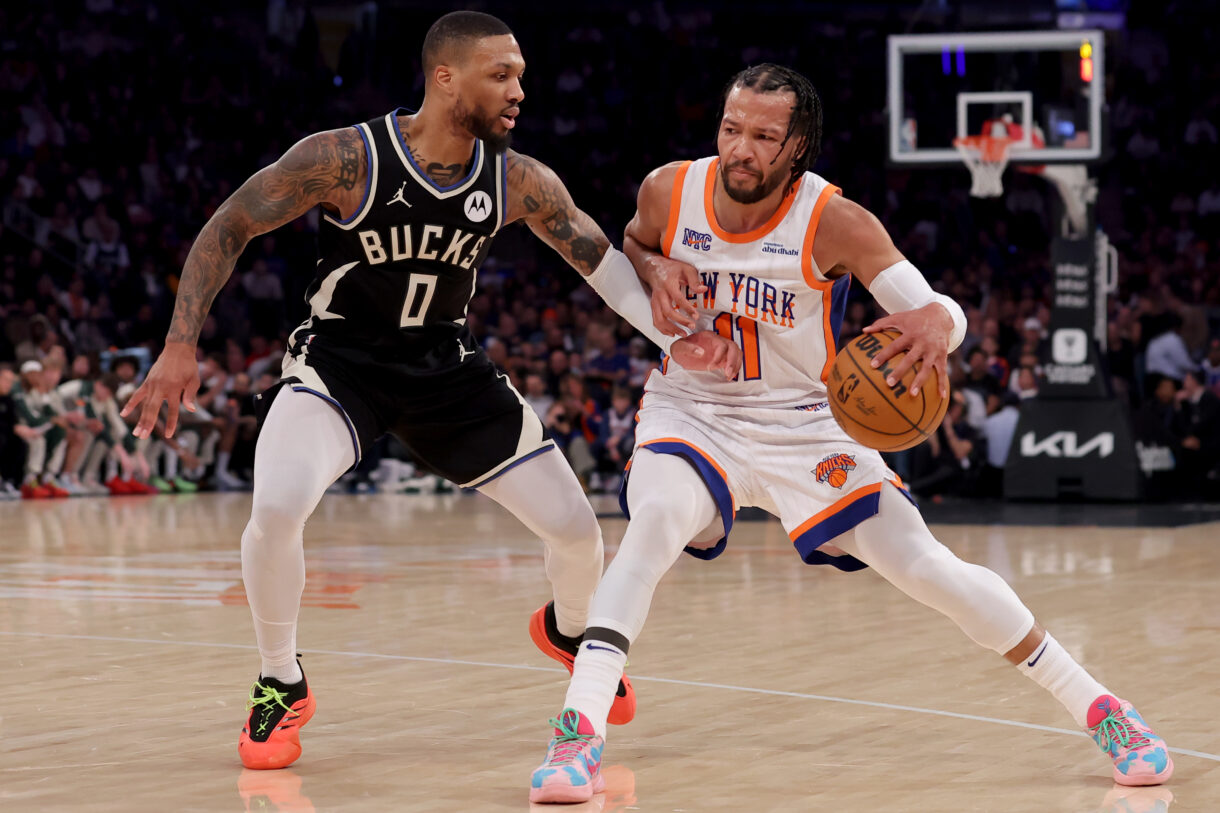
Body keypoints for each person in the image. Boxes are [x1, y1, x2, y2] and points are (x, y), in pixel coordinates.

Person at [528, 64, 1172, 804]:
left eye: (764, 137)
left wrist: (942, 320)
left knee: (930, 568)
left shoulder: (836, 221)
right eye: (732, 128)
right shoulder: (669, 189)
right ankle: (578, 732)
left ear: (796, 146)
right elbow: (633, 244)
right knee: (652, 528)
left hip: (809, 423)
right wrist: (653, 265)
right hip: (695, 409)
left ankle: (1102, 707)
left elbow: (937, 314)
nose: (742, 148)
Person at [121, 11, 737, 772]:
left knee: (579, 532)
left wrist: (680, 342)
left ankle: (570, 629)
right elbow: (231, 223)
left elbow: (602, 266)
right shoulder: (346, 158)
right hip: (340, 363)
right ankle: (281, 678)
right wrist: (181, 342)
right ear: (445, 77)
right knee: (276, 506)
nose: (519, 90)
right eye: (500, 74)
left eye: (521, 75)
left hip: (447, 371)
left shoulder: (518, 178)